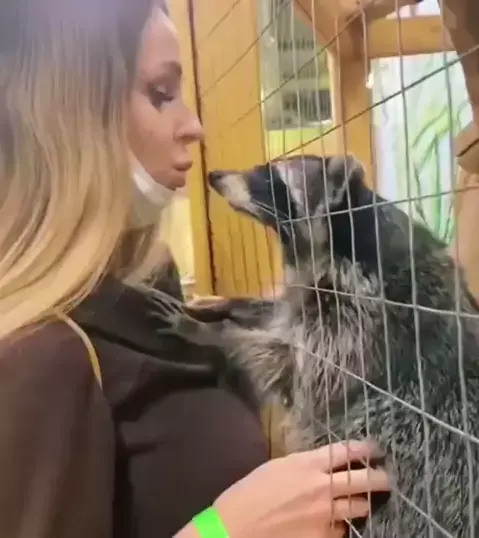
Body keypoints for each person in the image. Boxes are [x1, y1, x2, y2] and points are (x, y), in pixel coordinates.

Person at [0, 1, 391, 537]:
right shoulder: (40, 356)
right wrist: (222, 529)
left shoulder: (144, 291)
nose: (194, 127)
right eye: (161, 93)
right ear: (68, 115)